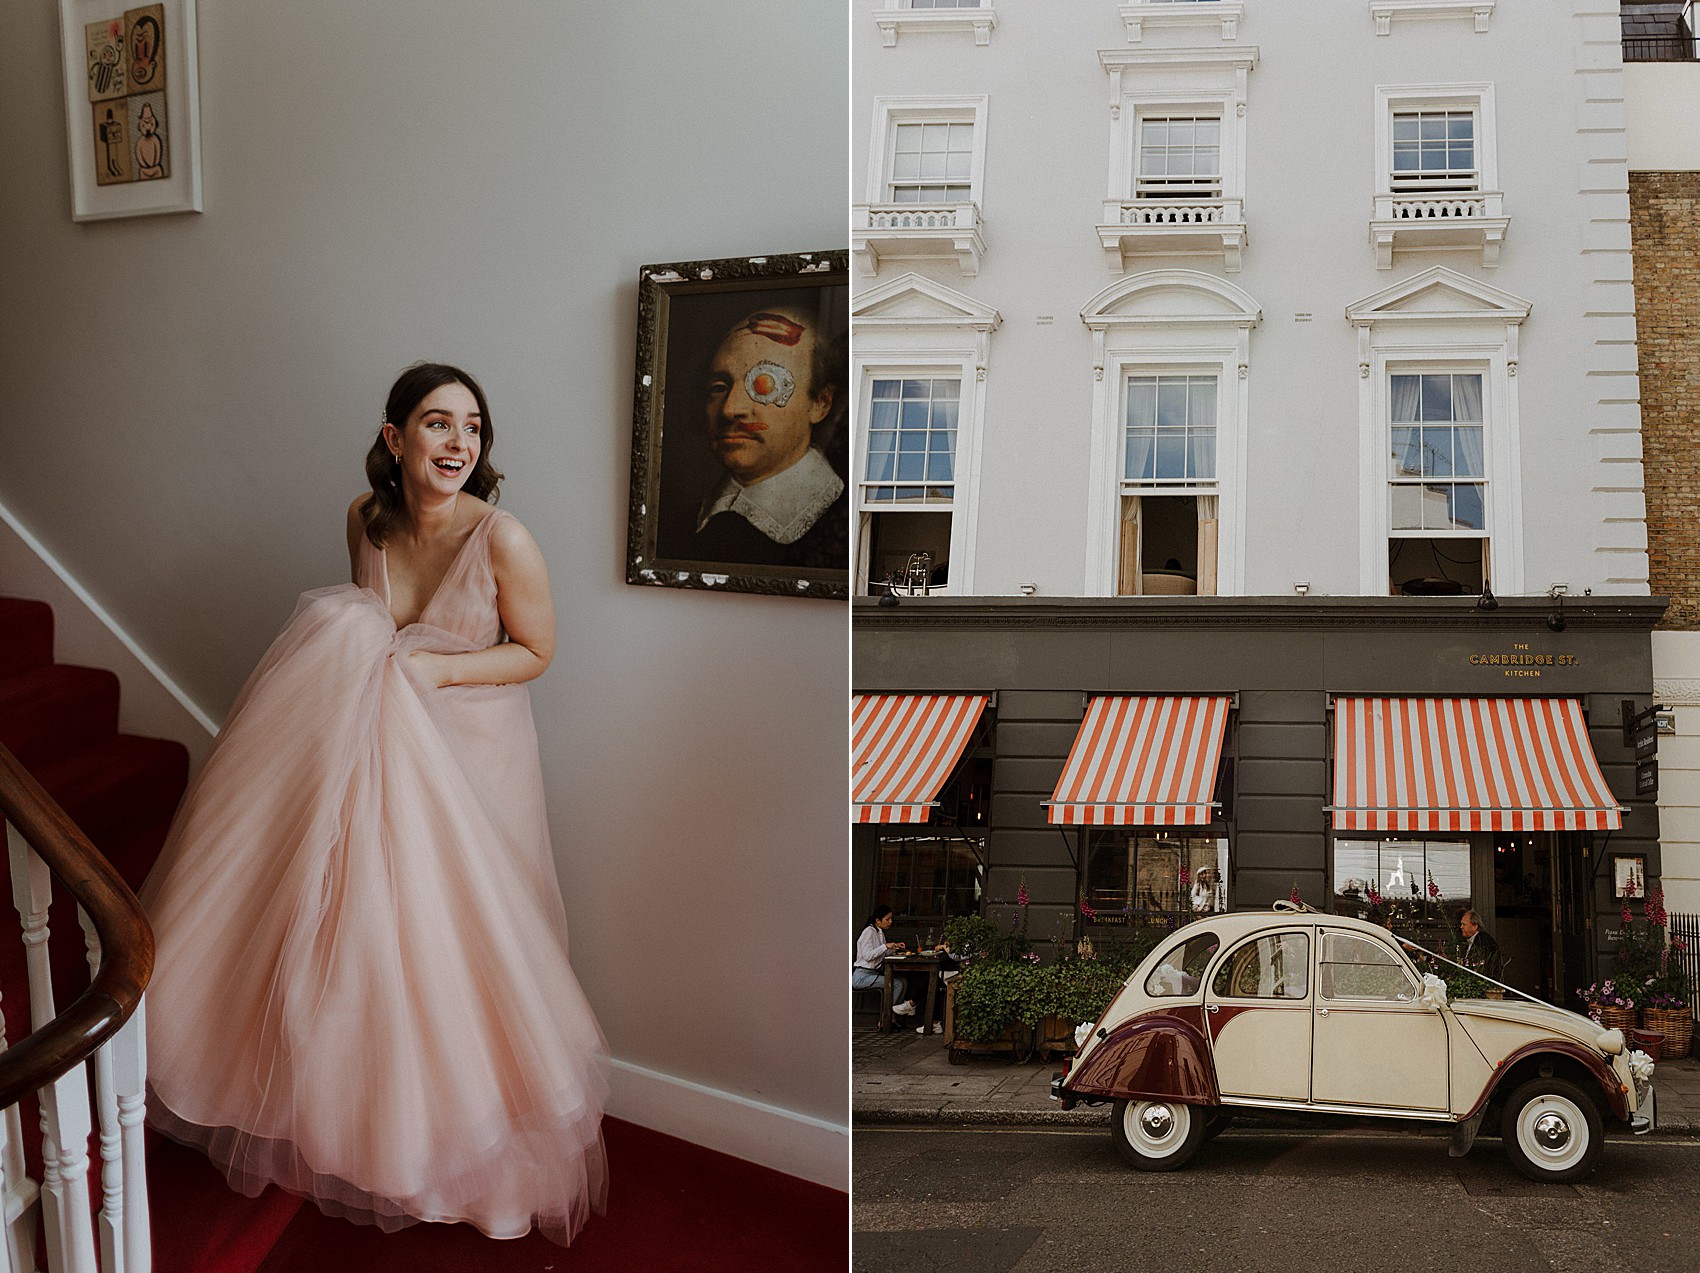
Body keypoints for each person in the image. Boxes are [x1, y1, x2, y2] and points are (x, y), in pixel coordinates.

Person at [139, 363, 609, 1245]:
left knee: (455, 937)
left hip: (466, 747)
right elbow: (365, 625)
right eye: (438, 423)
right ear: (396, 439)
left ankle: (455, 1155)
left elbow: (536, 650)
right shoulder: (365, 519)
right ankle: (336, 1117)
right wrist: (388, 669)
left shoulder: (505, 539)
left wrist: (436, 666)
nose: (461, 443)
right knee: (347, 921)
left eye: (473, 426)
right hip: (364, 739)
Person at [691, 305, 847, 570]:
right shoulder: (683, 525)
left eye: (764, 384)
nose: (730, 409)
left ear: (820, 403)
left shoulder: (839, 527)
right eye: (719, 387)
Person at [854, 905, 916, 1021]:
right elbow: (867, 956)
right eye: (887, 919)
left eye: (891, 919)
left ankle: (891, 1014)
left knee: (903, 981)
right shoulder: (869, 932)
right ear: (878, 920)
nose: (890, 922)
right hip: (862, 976)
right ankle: (886, 1017)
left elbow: (882, 953)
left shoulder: (879, 932)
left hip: (873, 973)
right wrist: (885, 946)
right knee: (897, 984)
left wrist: (894, 947)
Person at [1459, 909, 1503, 979]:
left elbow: (1484, 967)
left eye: (1464, 924)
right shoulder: (1471, 940)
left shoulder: (1483, 942)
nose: (1461, 927)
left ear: (1475, 926)